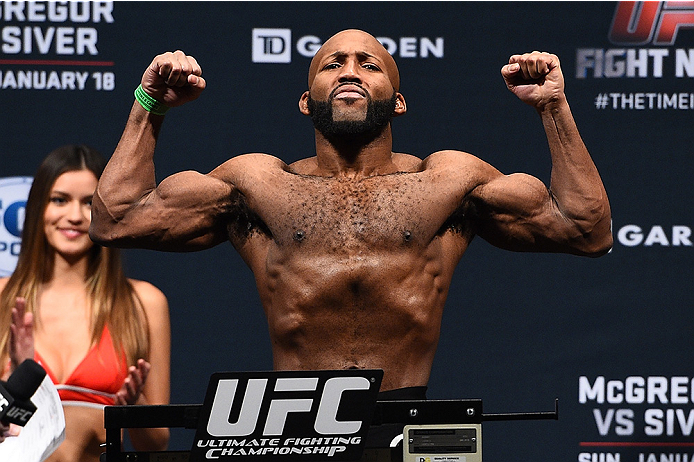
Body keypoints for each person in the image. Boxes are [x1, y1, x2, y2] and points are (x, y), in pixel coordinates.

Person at [90, 28, 611, 404]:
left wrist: (554, 108)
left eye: (369, 63)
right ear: (304, 100)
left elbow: (586, 229)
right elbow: (116, 219)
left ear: (399, 101)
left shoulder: (450, 180)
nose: (351, 73)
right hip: (292, 428)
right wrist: (149, 103)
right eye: (333, 64)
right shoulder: (256, 183)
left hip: (404, 420)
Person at [0, 145, 171, 461]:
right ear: (38, 208)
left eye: (90, 203)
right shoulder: (2, 298)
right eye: (60, 200)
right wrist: (14, 388)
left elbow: (156, 443)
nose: (75, 216)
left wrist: (135, 406)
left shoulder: (145, 302)